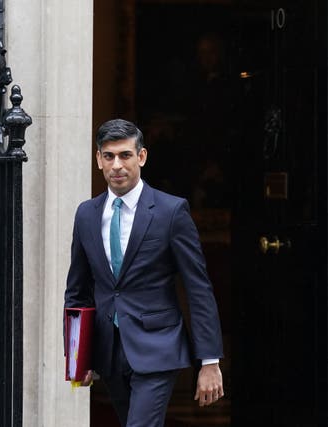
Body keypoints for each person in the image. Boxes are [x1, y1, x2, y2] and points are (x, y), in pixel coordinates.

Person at [64, 118, 224, 426]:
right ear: (98, 159)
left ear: (142, 157)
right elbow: (77, 290)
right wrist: (77, 357)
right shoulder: (86, 214)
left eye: (125, 155)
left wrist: (210, 360)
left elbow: (198, 288)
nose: (117, 165)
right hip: (108, 351)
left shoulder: (171, 212)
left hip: (158, 347)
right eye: (108, 156)